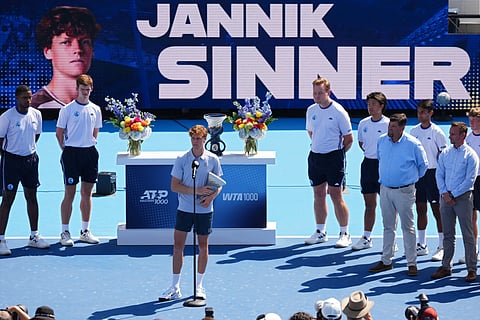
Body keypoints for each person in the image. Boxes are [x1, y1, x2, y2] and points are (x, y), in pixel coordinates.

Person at [159, 125, 223, 301]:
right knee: (177, 246)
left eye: (199, 138)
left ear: (205, 139)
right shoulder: (182, 159)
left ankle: (199, 286)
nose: (195, 142)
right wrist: (197, 190)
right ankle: (175, 287)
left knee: (203, 246)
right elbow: (174, 186)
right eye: (193, 138)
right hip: (184, 209)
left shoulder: (213, 159)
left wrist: (210, 198)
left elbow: (218, 185)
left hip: (204, 210)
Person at [369, 113, 428, 276]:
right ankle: (386, 260)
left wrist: (409, 180)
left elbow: (423, 166)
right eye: (389, 126)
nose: (390, 129)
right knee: (388, 226)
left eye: (394, 127)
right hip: (386, 189)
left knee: (407, 227)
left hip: (405, 191)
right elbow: (381, 159)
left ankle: (412, 263)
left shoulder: (413, 144)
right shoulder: (382, 141)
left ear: (402, 128)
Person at [304, 76, 354, 248]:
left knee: (336, 195)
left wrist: (337, 155)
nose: (317, 96)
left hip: (334, 158)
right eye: (314, 93)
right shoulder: (311, 110)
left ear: (328, 92)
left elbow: (349, 139)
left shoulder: (339, 112)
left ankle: (344, 233)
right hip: (315, 157)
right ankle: (320, 232)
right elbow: (312, 132)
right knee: (318, 194)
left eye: (320, 93)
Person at [0, 85, 49, 256]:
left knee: (32, 197)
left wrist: (26, 150)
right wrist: (11, 155)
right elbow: (0, 141)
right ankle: (1, 239)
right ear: (16, 98)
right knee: (8, 199)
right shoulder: (7, 117)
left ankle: (34, 236)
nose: (28, 101)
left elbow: (36, 136)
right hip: (11, 162)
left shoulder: (37, 114)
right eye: (24, 98)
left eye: (29, 97)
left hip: (31, 160)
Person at [55, 74, 102, 246]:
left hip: (89, 153)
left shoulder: (96, 109)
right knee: (70, 193)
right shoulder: (66, 109)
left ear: (91, 89)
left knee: (87, 193)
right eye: (82, 90)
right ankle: (65, 232)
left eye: (87, 90)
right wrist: (67, 150)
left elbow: (95, 132)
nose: (85, 93)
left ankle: (85, 230)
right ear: (77, 89)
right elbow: (59, 133)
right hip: (71, 155)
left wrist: (87, 144)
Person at [431, 122, 478, 282]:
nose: (450, 136)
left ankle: (471, 269)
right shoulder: (445, 153)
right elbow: (439, 174)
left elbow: (469, 180)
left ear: (463, 135)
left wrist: (453, 194)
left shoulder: (471, 155)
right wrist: (444, 193)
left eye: (453, 134)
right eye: (450, 133)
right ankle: (446, 267)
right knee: (448, 234)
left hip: (463, 198)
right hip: (445, 198)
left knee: (467, 234)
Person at [32, 6, 101, 111]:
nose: (78, 49)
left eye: (85, 42)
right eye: (66, 42)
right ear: (48, 52)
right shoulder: (33, 109)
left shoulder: (103, 105)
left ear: (93, 51)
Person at [409, 99, 447, 261]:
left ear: (430, 113)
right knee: (420, 209)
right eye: (418, 112)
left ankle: (442, 245)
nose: (420, 115)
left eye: (424, 112)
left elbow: (444, 157)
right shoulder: (413, 131)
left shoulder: (437, 133)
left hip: (433, 175)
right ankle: (422, 244)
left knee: (437, 211)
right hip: (419, 175)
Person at [352, 92, 389, 251]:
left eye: (374, 104)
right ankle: (366, 237)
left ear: (381, 106)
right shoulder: (363, 123)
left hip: (384, 167)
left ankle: (390, 240)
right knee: (369, 204)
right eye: (369, 104)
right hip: (367, 166)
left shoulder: (388, 124)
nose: (371, 107)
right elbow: (362, 144)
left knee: (388, 206)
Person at [463, 107, 480, 264]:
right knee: (471, 216)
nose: (473, 122)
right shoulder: (467, 138)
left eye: (476, 119)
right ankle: (473, 250)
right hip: (472, 181)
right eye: (471, 120)